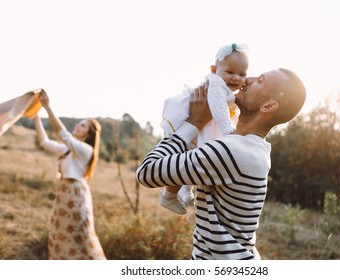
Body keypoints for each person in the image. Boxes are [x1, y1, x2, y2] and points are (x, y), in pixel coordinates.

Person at [136, 68, 306, 260]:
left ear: (268, 106)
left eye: (259, 80)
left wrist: (194, 121)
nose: (246, 79)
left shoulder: (234, 151)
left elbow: (147, 172)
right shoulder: (253, 149)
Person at [159, 43, 249, 215]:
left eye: (242, 74)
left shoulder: (226, 86)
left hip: (205, 123)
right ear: (214, 70)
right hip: (197, 120)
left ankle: (182, 191)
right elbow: (218, 109)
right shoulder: (216, 85)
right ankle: (170, 194)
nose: (236, 78)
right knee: (189, 157)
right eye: (230, 72)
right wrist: (227, 130)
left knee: (191, 157)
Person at [33, 89, 106, 260]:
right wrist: (36, 117)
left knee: (81, 238)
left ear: (88, 134)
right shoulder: (68, 150)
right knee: (61, 236)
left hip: (76, 196)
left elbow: (63, 134)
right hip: (64, 195)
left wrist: (47, 108)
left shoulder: (85, 150)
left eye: (82, 125)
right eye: (79, 123)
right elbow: (44, 142)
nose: (77, 126)